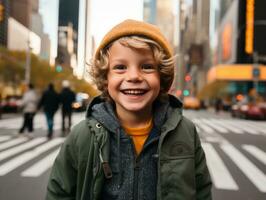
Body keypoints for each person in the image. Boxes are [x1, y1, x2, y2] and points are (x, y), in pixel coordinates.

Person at [46, 19, 212, 199]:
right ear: (105, 78)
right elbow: (59, 193)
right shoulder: (82, 136)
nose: (133, 76)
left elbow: (201, 191)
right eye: (120, 67)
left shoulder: (185, 132)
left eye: (147, 67)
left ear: (162, 76)